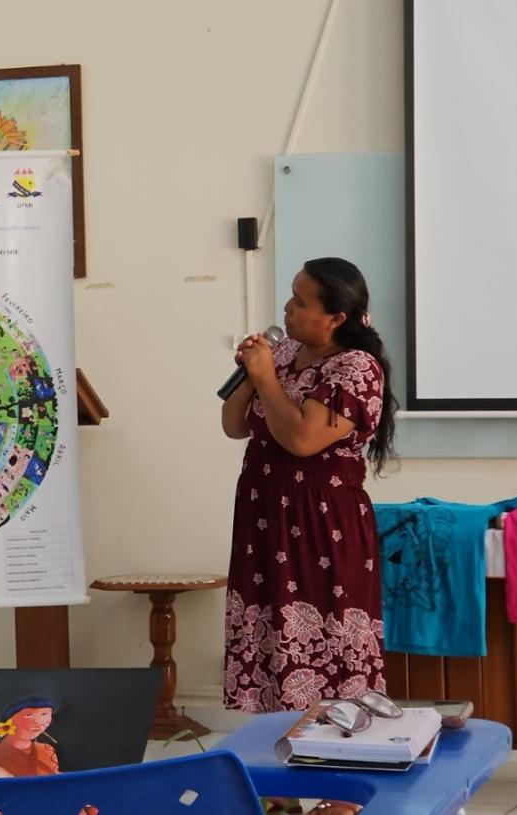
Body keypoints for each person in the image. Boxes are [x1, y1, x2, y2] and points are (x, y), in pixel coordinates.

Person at [220, 257, 397, 714]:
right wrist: (250, 371)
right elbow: (234, 425)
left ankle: (340, 777)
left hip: (322, 525)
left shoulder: (355, 368)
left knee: (329, 652)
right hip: (264, 517)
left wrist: (264, 378)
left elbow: (302, 439)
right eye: (290, 296)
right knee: (272, 644)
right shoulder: (281, 355)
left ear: (336, 318)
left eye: (300, 302)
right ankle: (277, 777)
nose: (287, 309)